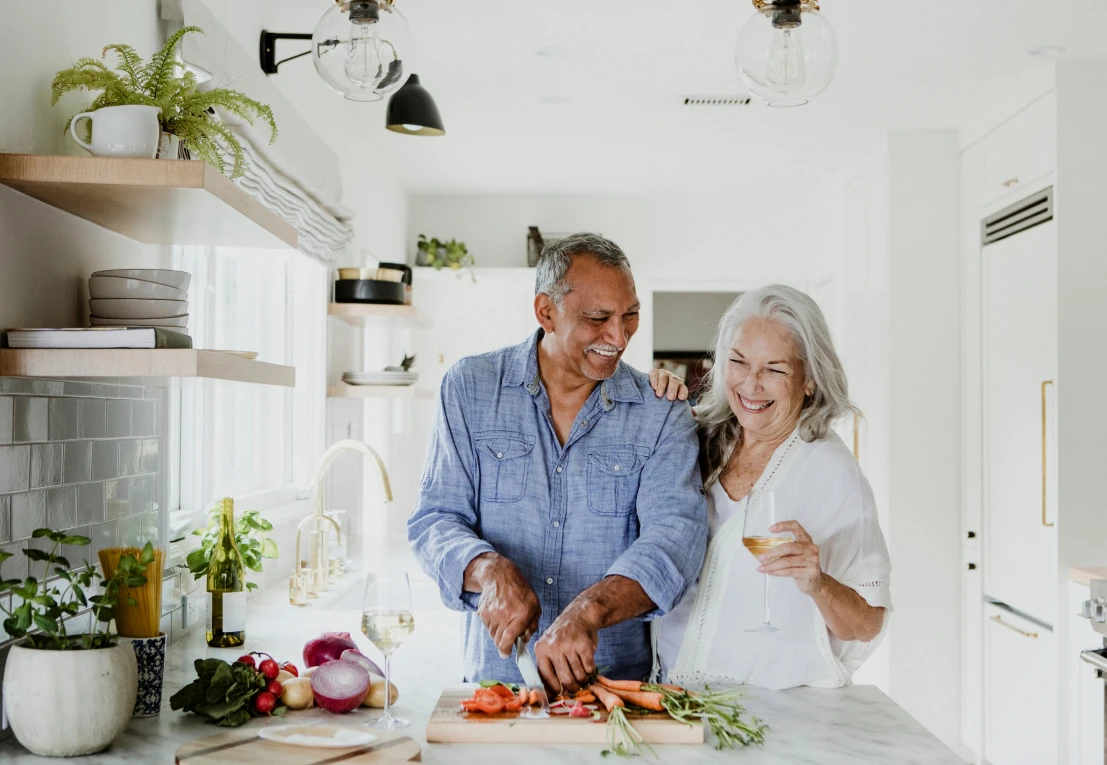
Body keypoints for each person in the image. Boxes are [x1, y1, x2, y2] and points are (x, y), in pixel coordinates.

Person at [408, 233, 708, 692]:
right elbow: (435, 519)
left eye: (630, 316)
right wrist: (487, 570)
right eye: (597, 318)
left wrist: (589, 610)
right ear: (546, 312)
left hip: (613, 691)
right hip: (495, 687)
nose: (619, 336)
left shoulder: (661, 410)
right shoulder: (469, 388)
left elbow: (675, 540)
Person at [655, 285, 891, 690]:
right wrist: (650, 398)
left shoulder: (831, 472)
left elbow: (866, 623)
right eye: (739, 362)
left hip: (768, 712)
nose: (751, 384)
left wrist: (818, 582)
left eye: (775, 369)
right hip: (669, 694)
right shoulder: (696, 437)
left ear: (810, 380)